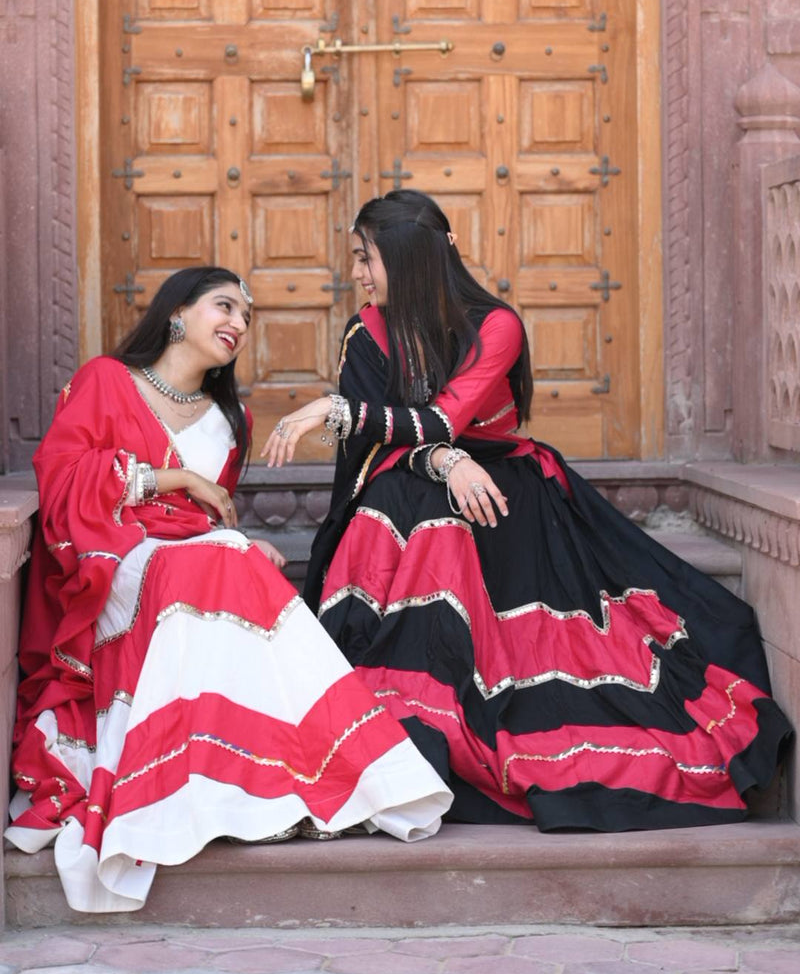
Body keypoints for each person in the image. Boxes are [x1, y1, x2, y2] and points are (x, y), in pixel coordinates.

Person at [264, 191, 792, 833]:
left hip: (507, 502)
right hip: (413, 492)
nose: (357, 274)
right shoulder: (368, 332)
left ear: (408, 261)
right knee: (406, 493)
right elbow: (385, 450)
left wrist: (338, 412)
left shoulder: (495, 325)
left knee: (446, 515)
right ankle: (403, 709)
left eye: (366, 259)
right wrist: (444, 462)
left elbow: (440, 421)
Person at [6, 267, 451, 914]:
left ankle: (278, 781)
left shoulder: (230, 419)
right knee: (220, 562)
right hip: (112, 567)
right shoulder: (107, 380)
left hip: (191, 564)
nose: (239, 325)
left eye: (247, 317)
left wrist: (231, 538)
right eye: (225, 307)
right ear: (177, 313)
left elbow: (206, 520)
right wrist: (174, 478)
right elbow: (66, 479)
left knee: (230, 561)